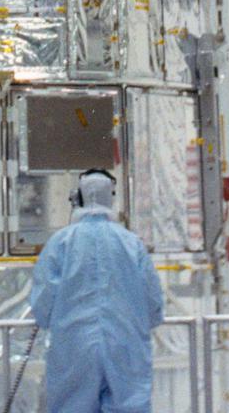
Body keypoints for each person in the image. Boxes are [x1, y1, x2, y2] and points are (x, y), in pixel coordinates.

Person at [30, 168, 164, 413]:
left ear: (77, 197)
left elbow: (43, 306)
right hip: (125, 345)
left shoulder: (60, 242)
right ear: (111, 197)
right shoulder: (131, 243)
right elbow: (152, 303)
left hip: (74, 345)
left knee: (73, 406)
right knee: (129, 405)